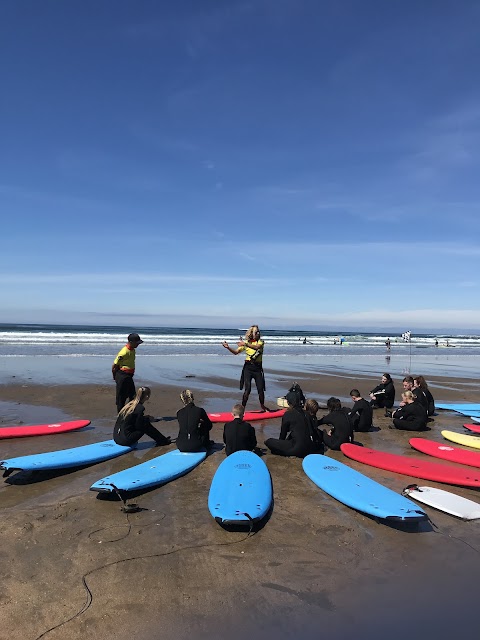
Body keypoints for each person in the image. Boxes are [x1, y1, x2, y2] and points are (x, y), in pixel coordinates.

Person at [221, 325, 268, 411]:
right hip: (248, 368)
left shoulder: (260, 342)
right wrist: (228, 348)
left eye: (258, 331)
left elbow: (257, 347)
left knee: (260, 389)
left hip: (257, 368)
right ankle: (243, 407)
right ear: (251, 333)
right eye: (256, 332)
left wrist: (245, 343)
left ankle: (262, 405)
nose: (258, 333)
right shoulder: (246, 343)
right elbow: (236, 352)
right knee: (247, 389)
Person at [264, 391, 321, 457]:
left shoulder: (288, 414)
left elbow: (283, 434)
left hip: (297, 449)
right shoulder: (307, 414)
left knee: (269, 441)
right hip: (310, 448)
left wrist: (280, 444)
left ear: (288, 402)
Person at [112, 332, 144, 413]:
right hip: (122, 375)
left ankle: (130, 412)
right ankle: (120, 415)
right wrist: (115, 377)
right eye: (137, 343)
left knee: (132, 395)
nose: (138, 345)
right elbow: (114, 365)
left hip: (129, 376)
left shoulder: (133, 350)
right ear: (131, 342)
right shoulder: (124, 352)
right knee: (121, 397)